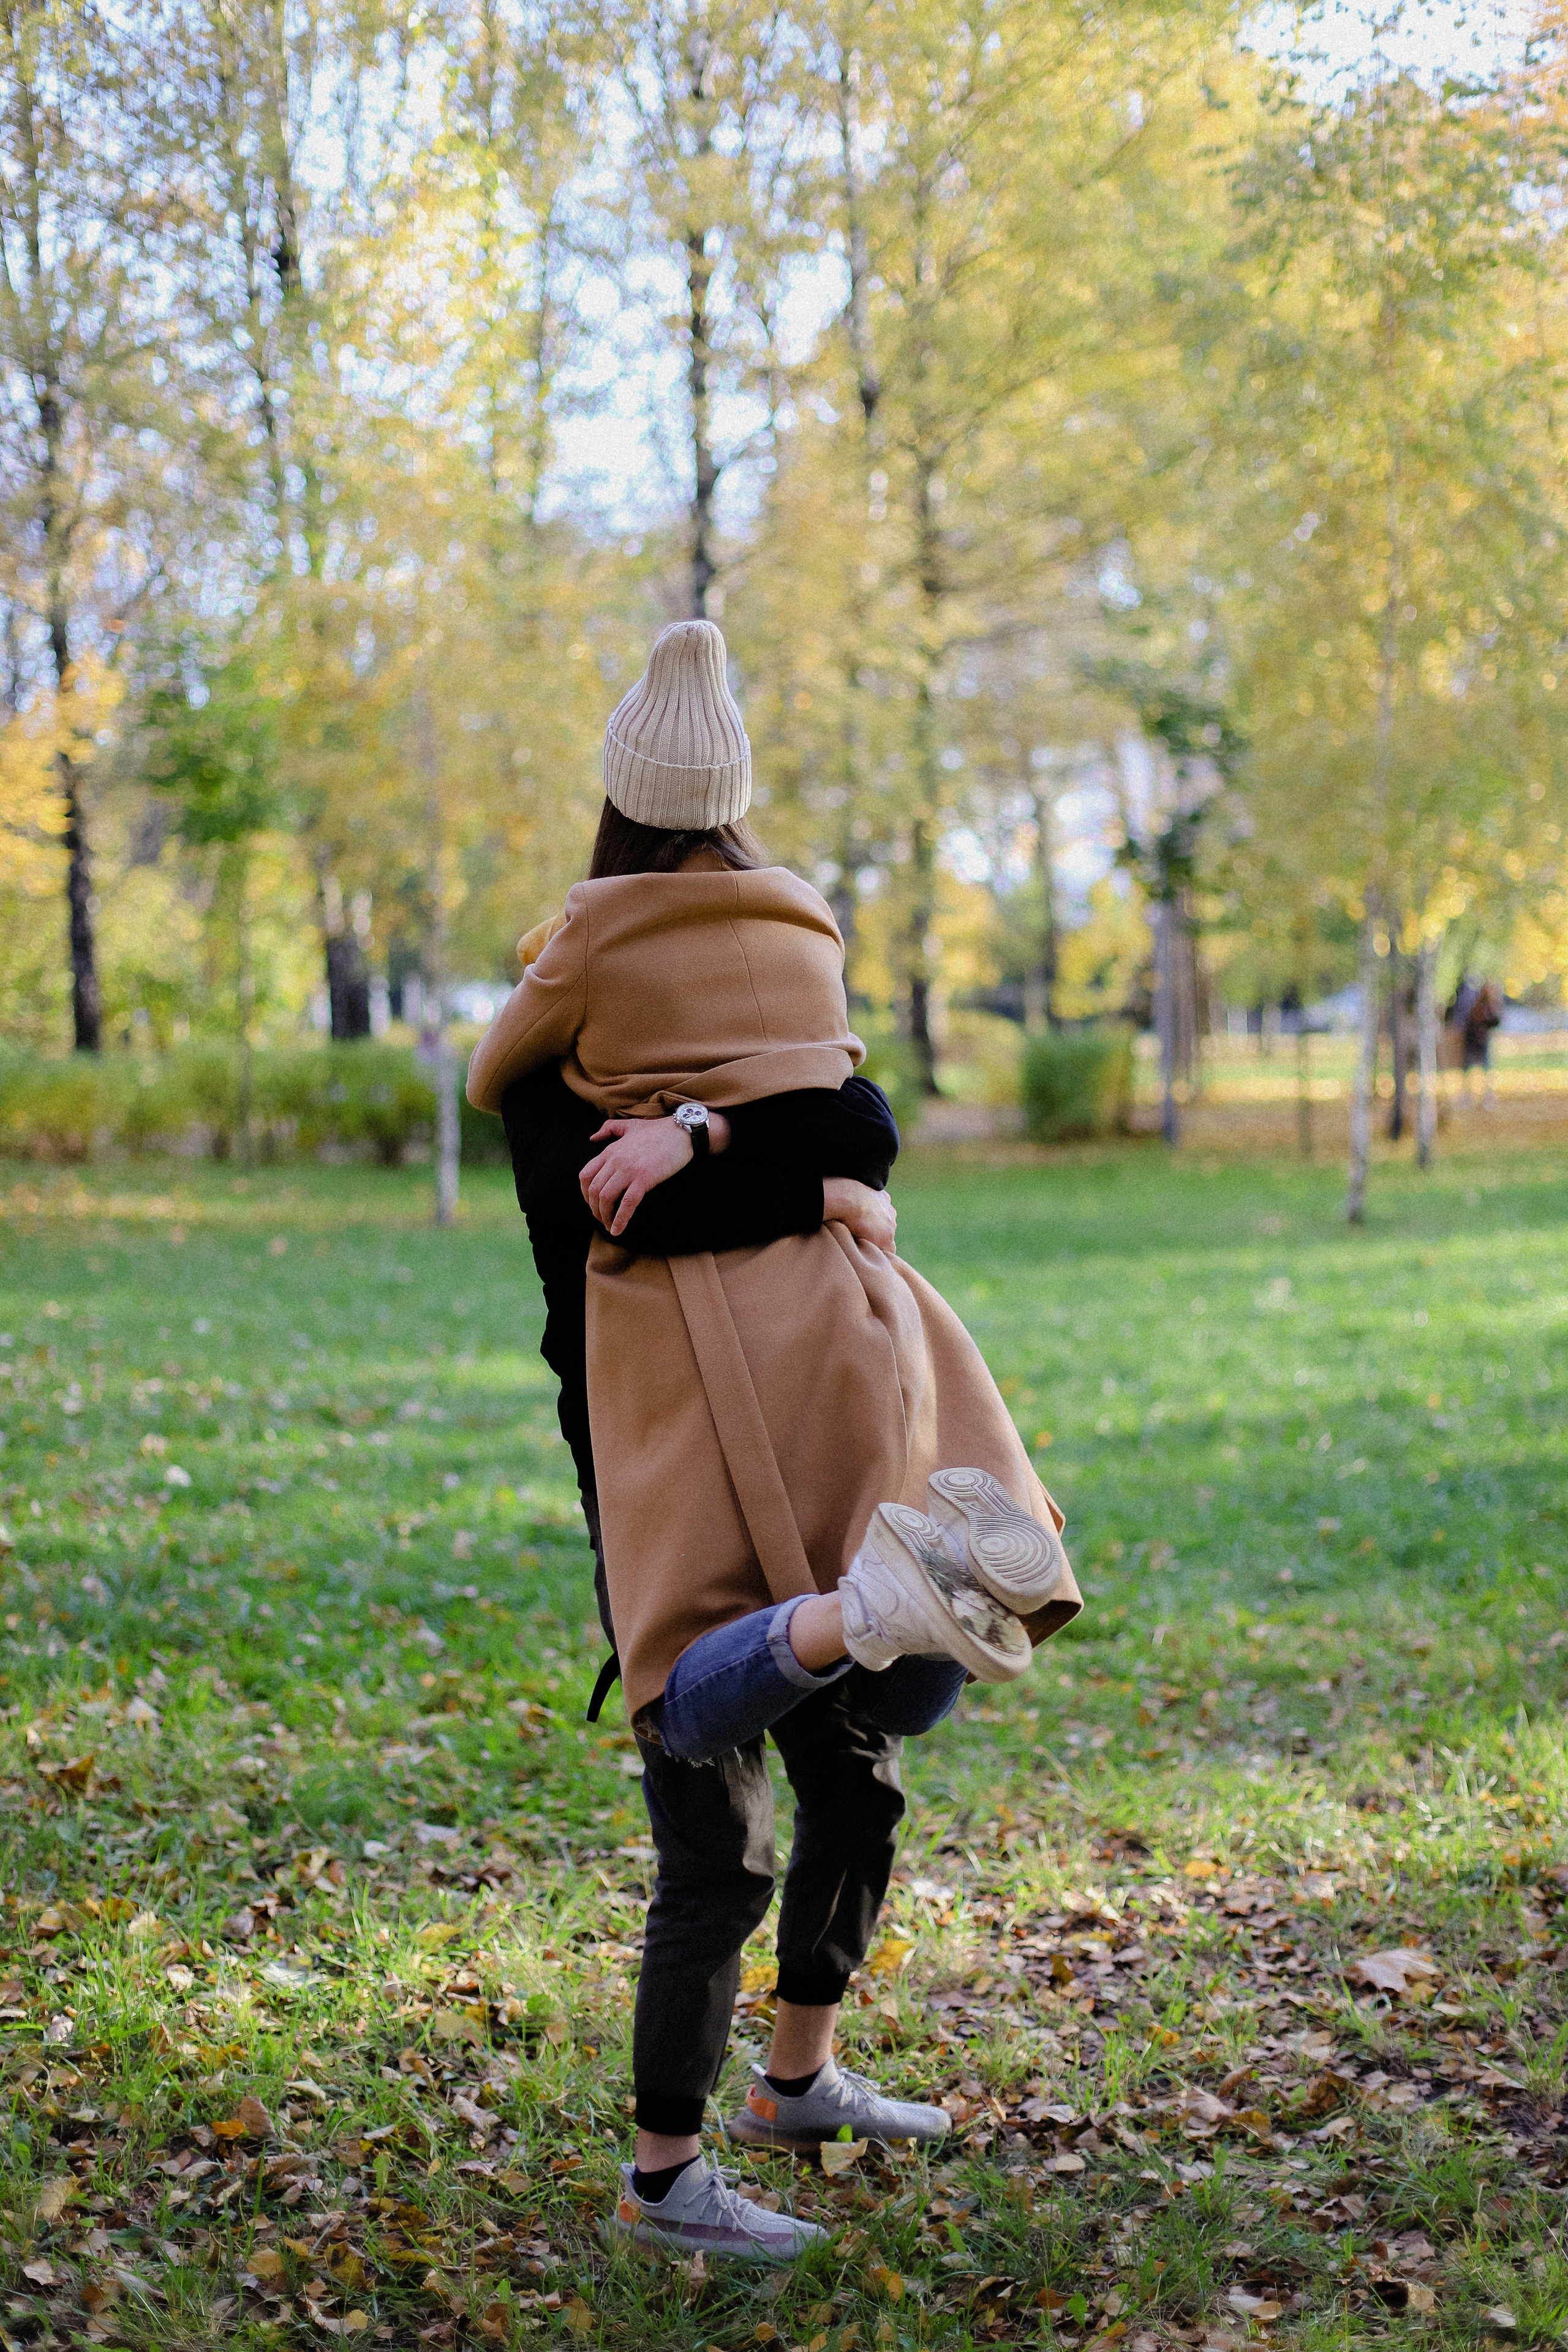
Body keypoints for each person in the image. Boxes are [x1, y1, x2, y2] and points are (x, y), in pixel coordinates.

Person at [469, 620, 1082, 2264]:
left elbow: (860, 1123)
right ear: (730, 801)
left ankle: (792, 2083)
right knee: (711, 1807)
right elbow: (602, 1207)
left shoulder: (669, 963)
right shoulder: (725, 960)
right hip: (673, 1426)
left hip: (792, 1414)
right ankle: (665, 2182)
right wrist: (794, 1169)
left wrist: (701, 1128)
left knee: (848, 1779)